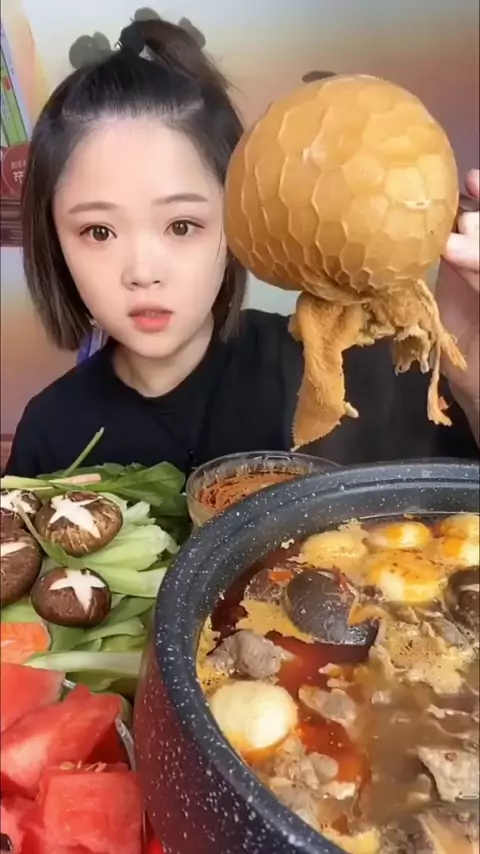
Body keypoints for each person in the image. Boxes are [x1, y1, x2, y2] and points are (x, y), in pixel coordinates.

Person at [5, 17, 479, 478]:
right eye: (98, 232)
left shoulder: (340, 370)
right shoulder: (50, 434)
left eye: (182, 225)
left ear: (236, 218)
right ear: (54, 242)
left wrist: (474, 387)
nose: (143, 272)